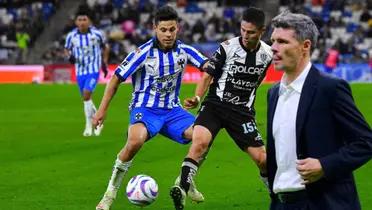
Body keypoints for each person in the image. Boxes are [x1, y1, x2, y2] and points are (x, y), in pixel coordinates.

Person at [93, 5, 209, 210]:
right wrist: (102, 110)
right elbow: (115, 79)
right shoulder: (143, 52)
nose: (168, 34)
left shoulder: (185, 51)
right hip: (145, 109)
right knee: (135, 141)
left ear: (178, 29)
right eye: (163, 29)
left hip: (173, 111)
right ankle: (109, 194)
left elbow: (210, 68)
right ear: (154, 28)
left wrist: (198, 97)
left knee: (205, 135)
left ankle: (186, 180)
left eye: (172, 29)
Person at [267, 11, 372, 210]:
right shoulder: (273, 93)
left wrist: (325, 165)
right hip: (282, 204)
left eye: (282, 41)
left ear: (305, 46)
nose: (273, 48)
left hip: (322, 202)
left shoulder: (330, 89)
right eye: (273, 41)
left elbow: (365, 142)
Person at [170, 7, 272, 210]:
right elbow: (207, 74)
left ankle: (276, 195)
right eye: (242, 29)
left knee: (263, 160)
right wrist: (198, 97)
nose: (245, 35)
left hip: (242, 113)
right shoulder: (227, 47)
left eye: (251, 32)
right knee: (200, 143)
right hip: (215, 105)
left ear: (262, 31)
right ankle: (181, 190)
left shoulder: (268, 54)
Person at [64, 9, 109, 137]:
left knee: (86, 95)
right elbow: (67, 49)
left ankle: (88, 126)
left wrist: (104, 63)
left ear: (89, 21)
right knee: (86, 99)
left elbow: (105, 47)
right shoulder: (71, 36)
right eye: (80, 20)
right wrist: (69, 57)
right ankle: (99, 120)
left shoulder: (96, 34)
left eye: (84, 19)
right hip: (80, 71)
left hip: (94, 69)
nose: (82, 22)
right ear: (75, 22)